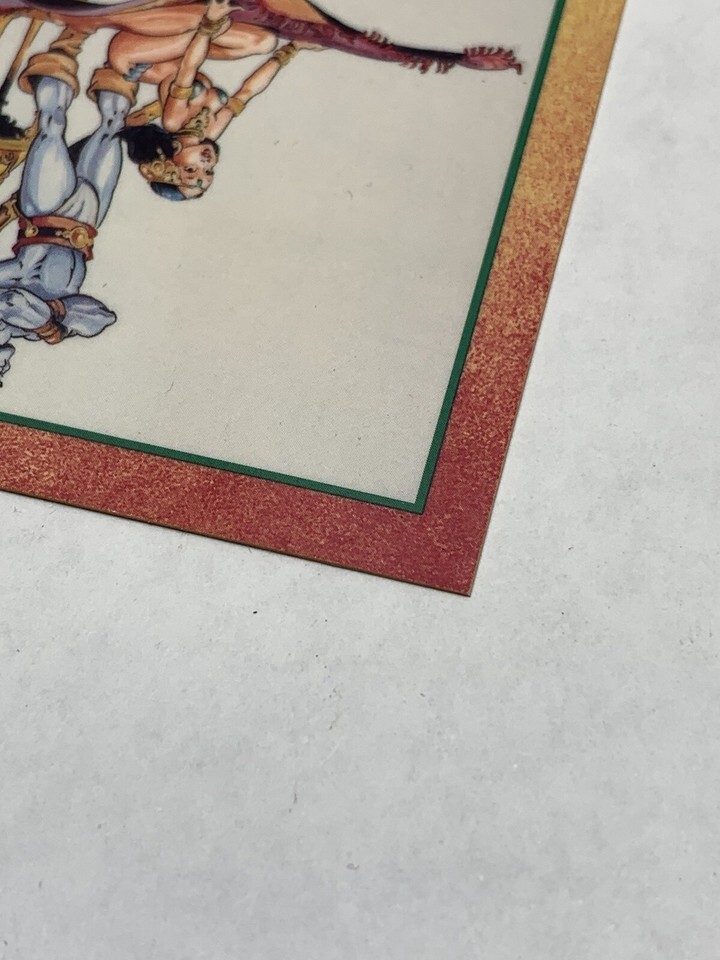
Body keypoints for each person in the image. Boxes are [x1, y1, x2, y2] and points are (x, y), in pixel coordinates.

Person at [0, 28, 131, 383]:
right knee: (113, 127)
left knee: (52, 126)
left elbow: (12, 301)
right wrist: (54, 319)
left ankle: (65, 46)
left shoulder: (27, 323)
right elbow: (99, 316)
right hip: (86, 223)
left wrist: (48, 324)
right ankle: (127, 61)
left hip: (45, 210)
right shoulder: (29, 332)